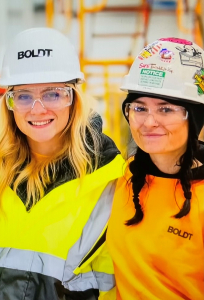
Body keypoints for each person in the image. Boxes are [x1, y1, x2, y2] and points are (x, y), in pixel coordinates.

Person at [0, 28, 125, 300]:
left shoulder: (107, 178)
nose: (37, 109)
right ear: (9, 102)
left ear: (73, 99)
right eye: (23, 95)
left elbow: (110, 281)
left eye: (53, 94)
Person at [107, 37, 204, 299]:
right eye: (139, 108)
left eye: (166, 110)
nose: (149, 122)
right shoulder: (122, 176)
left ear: (194, 119)